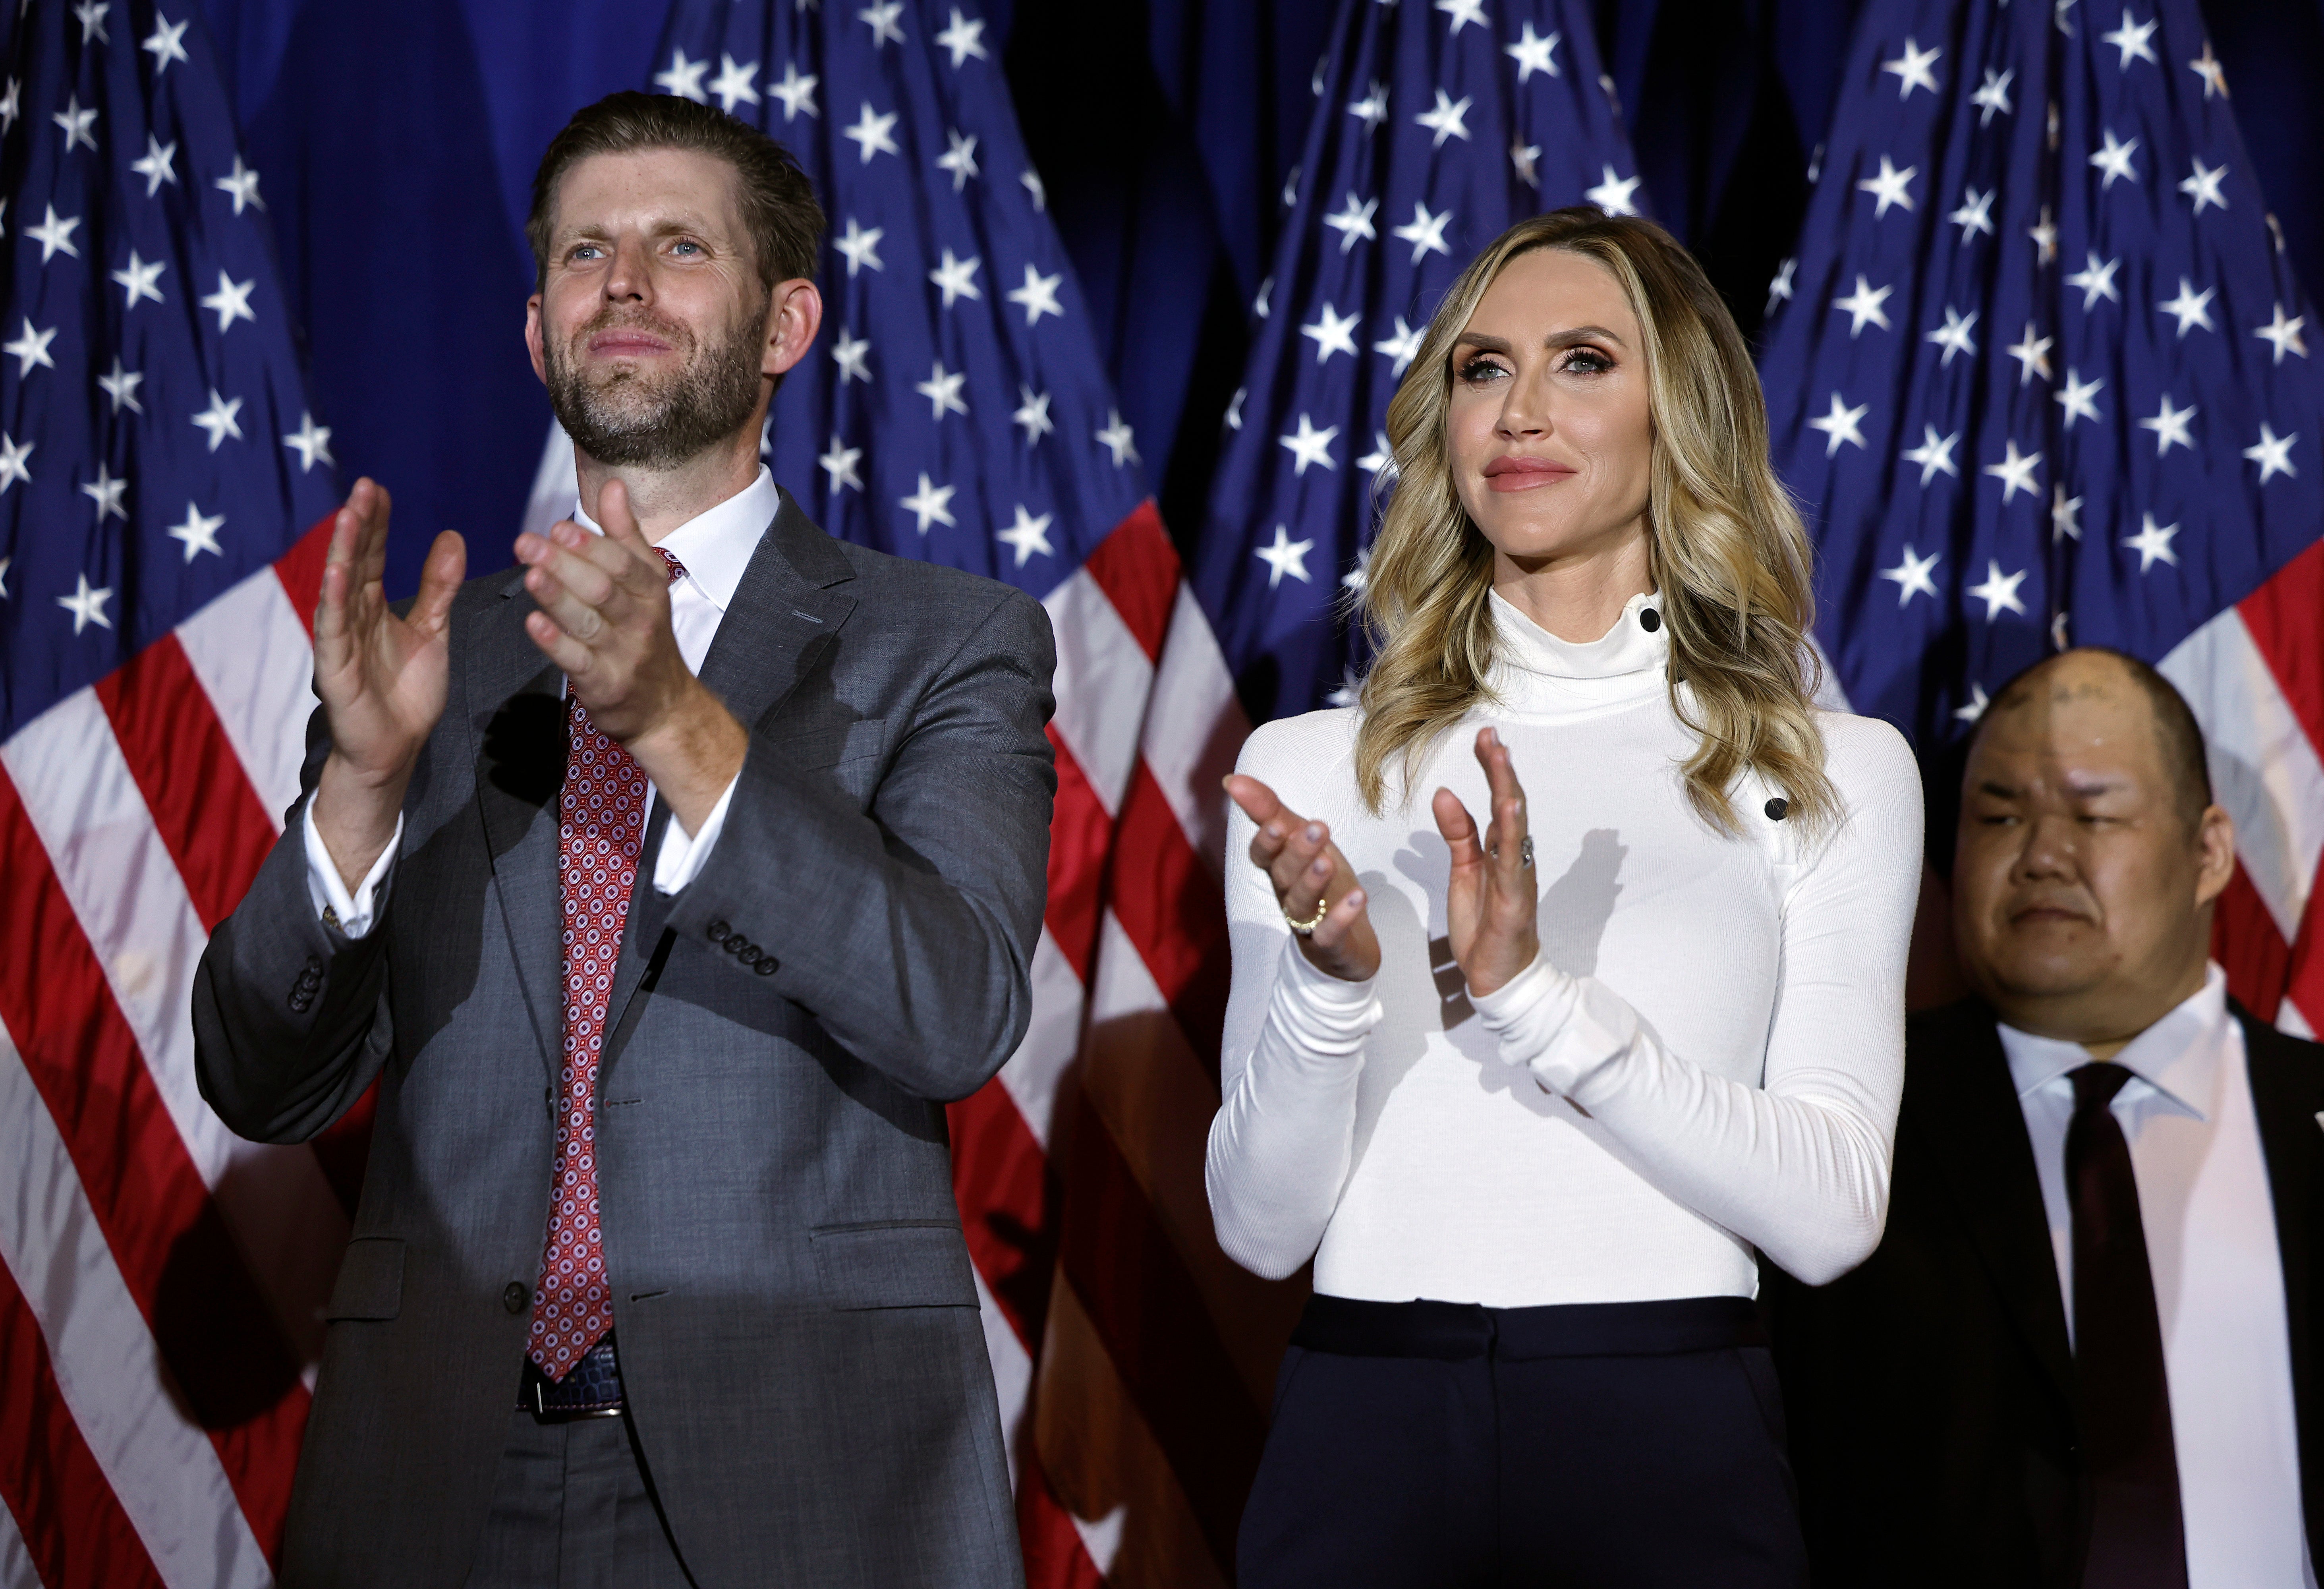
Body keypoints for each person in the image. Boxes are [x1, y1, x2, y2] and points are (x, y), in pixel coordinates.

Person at [192, 93, 1052, 1588]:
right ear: (539, 334)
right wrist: (362, 794)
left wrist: (675, 721)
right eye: (586, 252)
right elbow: (261, 1082)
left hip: (803, 1474)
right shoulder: (432, 663)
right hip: (441, 1476)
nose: (627, 282)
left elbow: (956, 1009)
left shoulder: (948, 642)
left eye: (678, 247)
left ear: (787, 327)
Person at [1205, 207, 1923, 1587]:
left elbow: (1833, 1219)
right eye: (1482, 368)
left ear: (1681, 414)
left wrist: (1534, 1001)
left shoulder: (1827, 766)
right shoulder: (1307, 767)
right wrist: (1333, 982)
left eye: (1583, 360)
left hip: (1669, 1424)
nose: (1520, 409)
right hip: (1367, 1415)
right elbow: (1261, 1229)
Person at [1767, 648, 2324, 1587]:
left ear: (2211, 851)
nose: (2043, 855)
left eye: (2094, 812)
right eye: (2000, 814)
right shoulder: (1848, 1122)